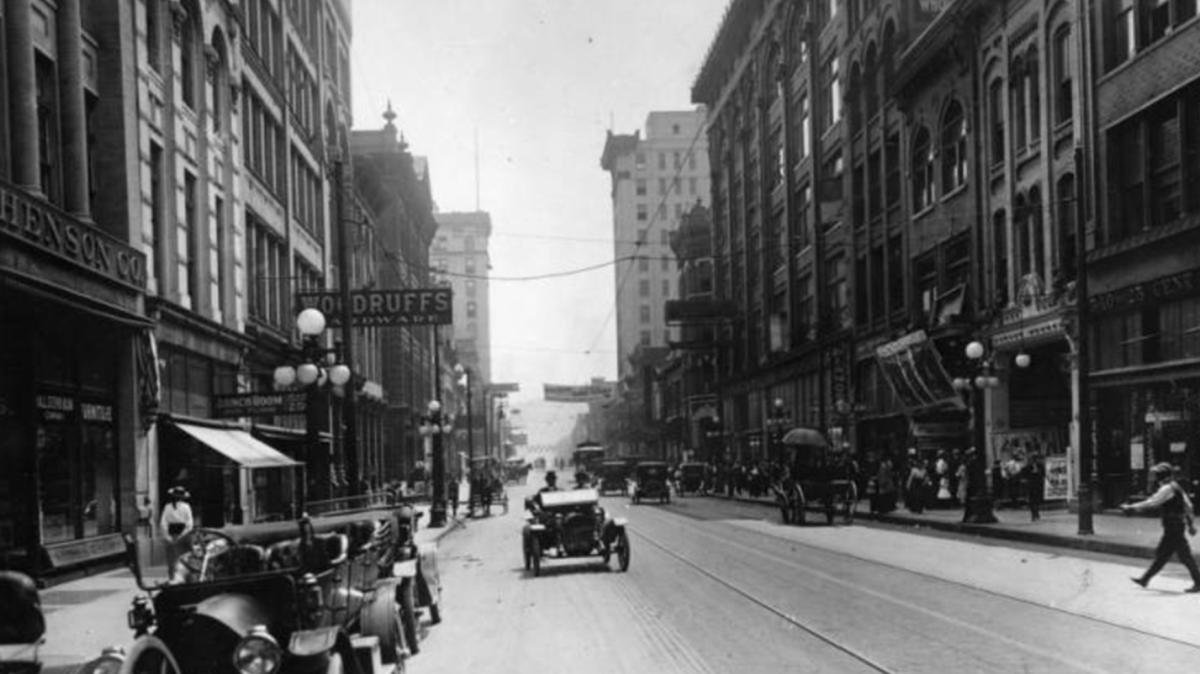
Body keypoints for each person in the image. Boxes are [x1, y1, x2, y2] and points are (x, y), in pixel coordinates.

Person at [1123, 462, 1200, 592]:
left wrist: (1131, 507)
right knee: (1165, 554)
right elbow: (1188, 506)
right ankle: (1145, 579)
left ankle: (1198, 582)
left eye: (1157, 474)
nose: (1155, 477)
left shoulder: (1167, 489)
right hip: (1176, 525)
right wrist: (1190, 524)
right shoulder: (1176, 487)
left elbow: (1152, 502)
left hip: (1173, 526)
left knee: (1182, 555)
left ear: (1161, 475)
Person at [160, 486, 194, 582]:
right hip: (184, 536)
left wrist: (167, 536)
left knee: (172, 559)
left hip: (171, 535)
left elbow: (163, 523)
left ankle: (172, 578)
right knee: (186, 558)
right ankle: (185, 579)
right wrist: (182, 535)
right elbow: (189, 524)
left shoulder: (167, 507)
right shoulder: (186, 507)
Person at [1022, 453, 1046, 521]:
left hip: (1038, 484)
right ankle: (1033, 514)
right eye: (1033, 459)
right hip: (1031, 485)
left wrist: (1039, 474)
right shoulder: (1027, 467)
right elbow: (1024, 474)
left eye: (1035, 459)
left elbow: (1043, 474)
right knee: (1032, 500)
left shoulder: (1040, 466)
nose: (1034, 460)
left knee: (1037, 500)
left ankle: (1037, 512)